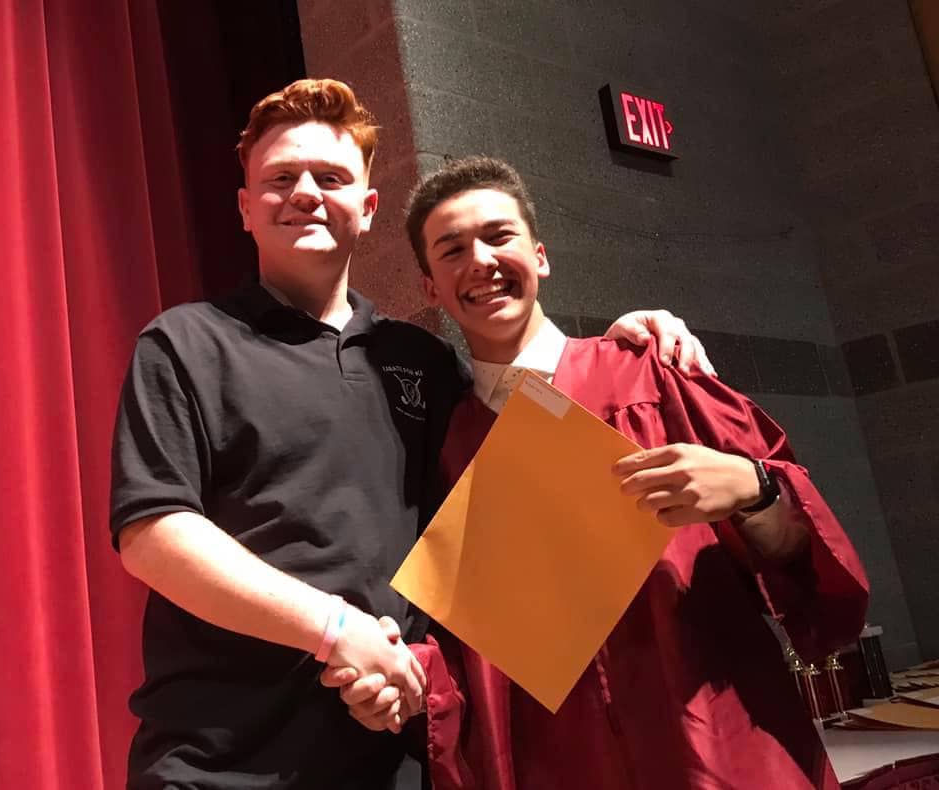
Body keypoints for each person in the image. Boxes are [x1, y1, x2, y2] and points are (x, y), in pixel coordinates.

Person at [110, 80, 712, 789]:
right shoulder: (184, 343)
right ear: (245, 208)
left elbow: (515, 483)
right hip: (218, 766)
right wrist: (337, 632)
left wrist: (609, 350)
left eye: (330, 177)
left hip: (398, 757)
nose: (305, 193)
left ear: (365, 210)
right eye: (280, 179)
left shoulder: (421, 361)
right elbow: (152, 537)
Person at [323, 156, 870, 790]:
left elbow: (805, 568)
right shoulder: (450, 448)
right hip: (564, 761)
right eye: (452, 250)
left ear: (542, 256)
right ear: (430, 289)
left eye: (499, 236)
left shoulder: (651, 375)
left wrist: (756, 489)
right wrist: (404, 680)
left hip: (717, 745)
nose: (479, 260)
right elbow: (472, 650)